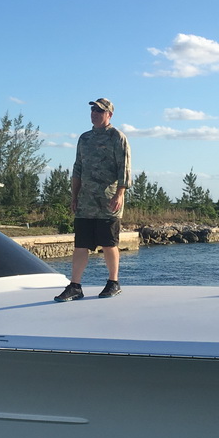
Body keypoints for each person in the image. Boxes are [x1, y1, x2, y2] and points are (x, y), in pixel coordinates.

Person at [54, 97, 131, 301]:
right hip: (85, 202)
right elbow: (77, 168)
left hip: (108, 201)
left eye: (99, 111)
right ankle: (75, 286)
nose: (95, 113)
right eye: (93, 110)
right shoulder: (84, 138)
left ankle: (113, 282)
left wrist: (120, 194)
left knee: (108, 243)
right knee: (80, 244)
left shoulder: (117, 137)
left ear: (109, 114)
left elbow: (125, 168)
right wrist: (74, 196)